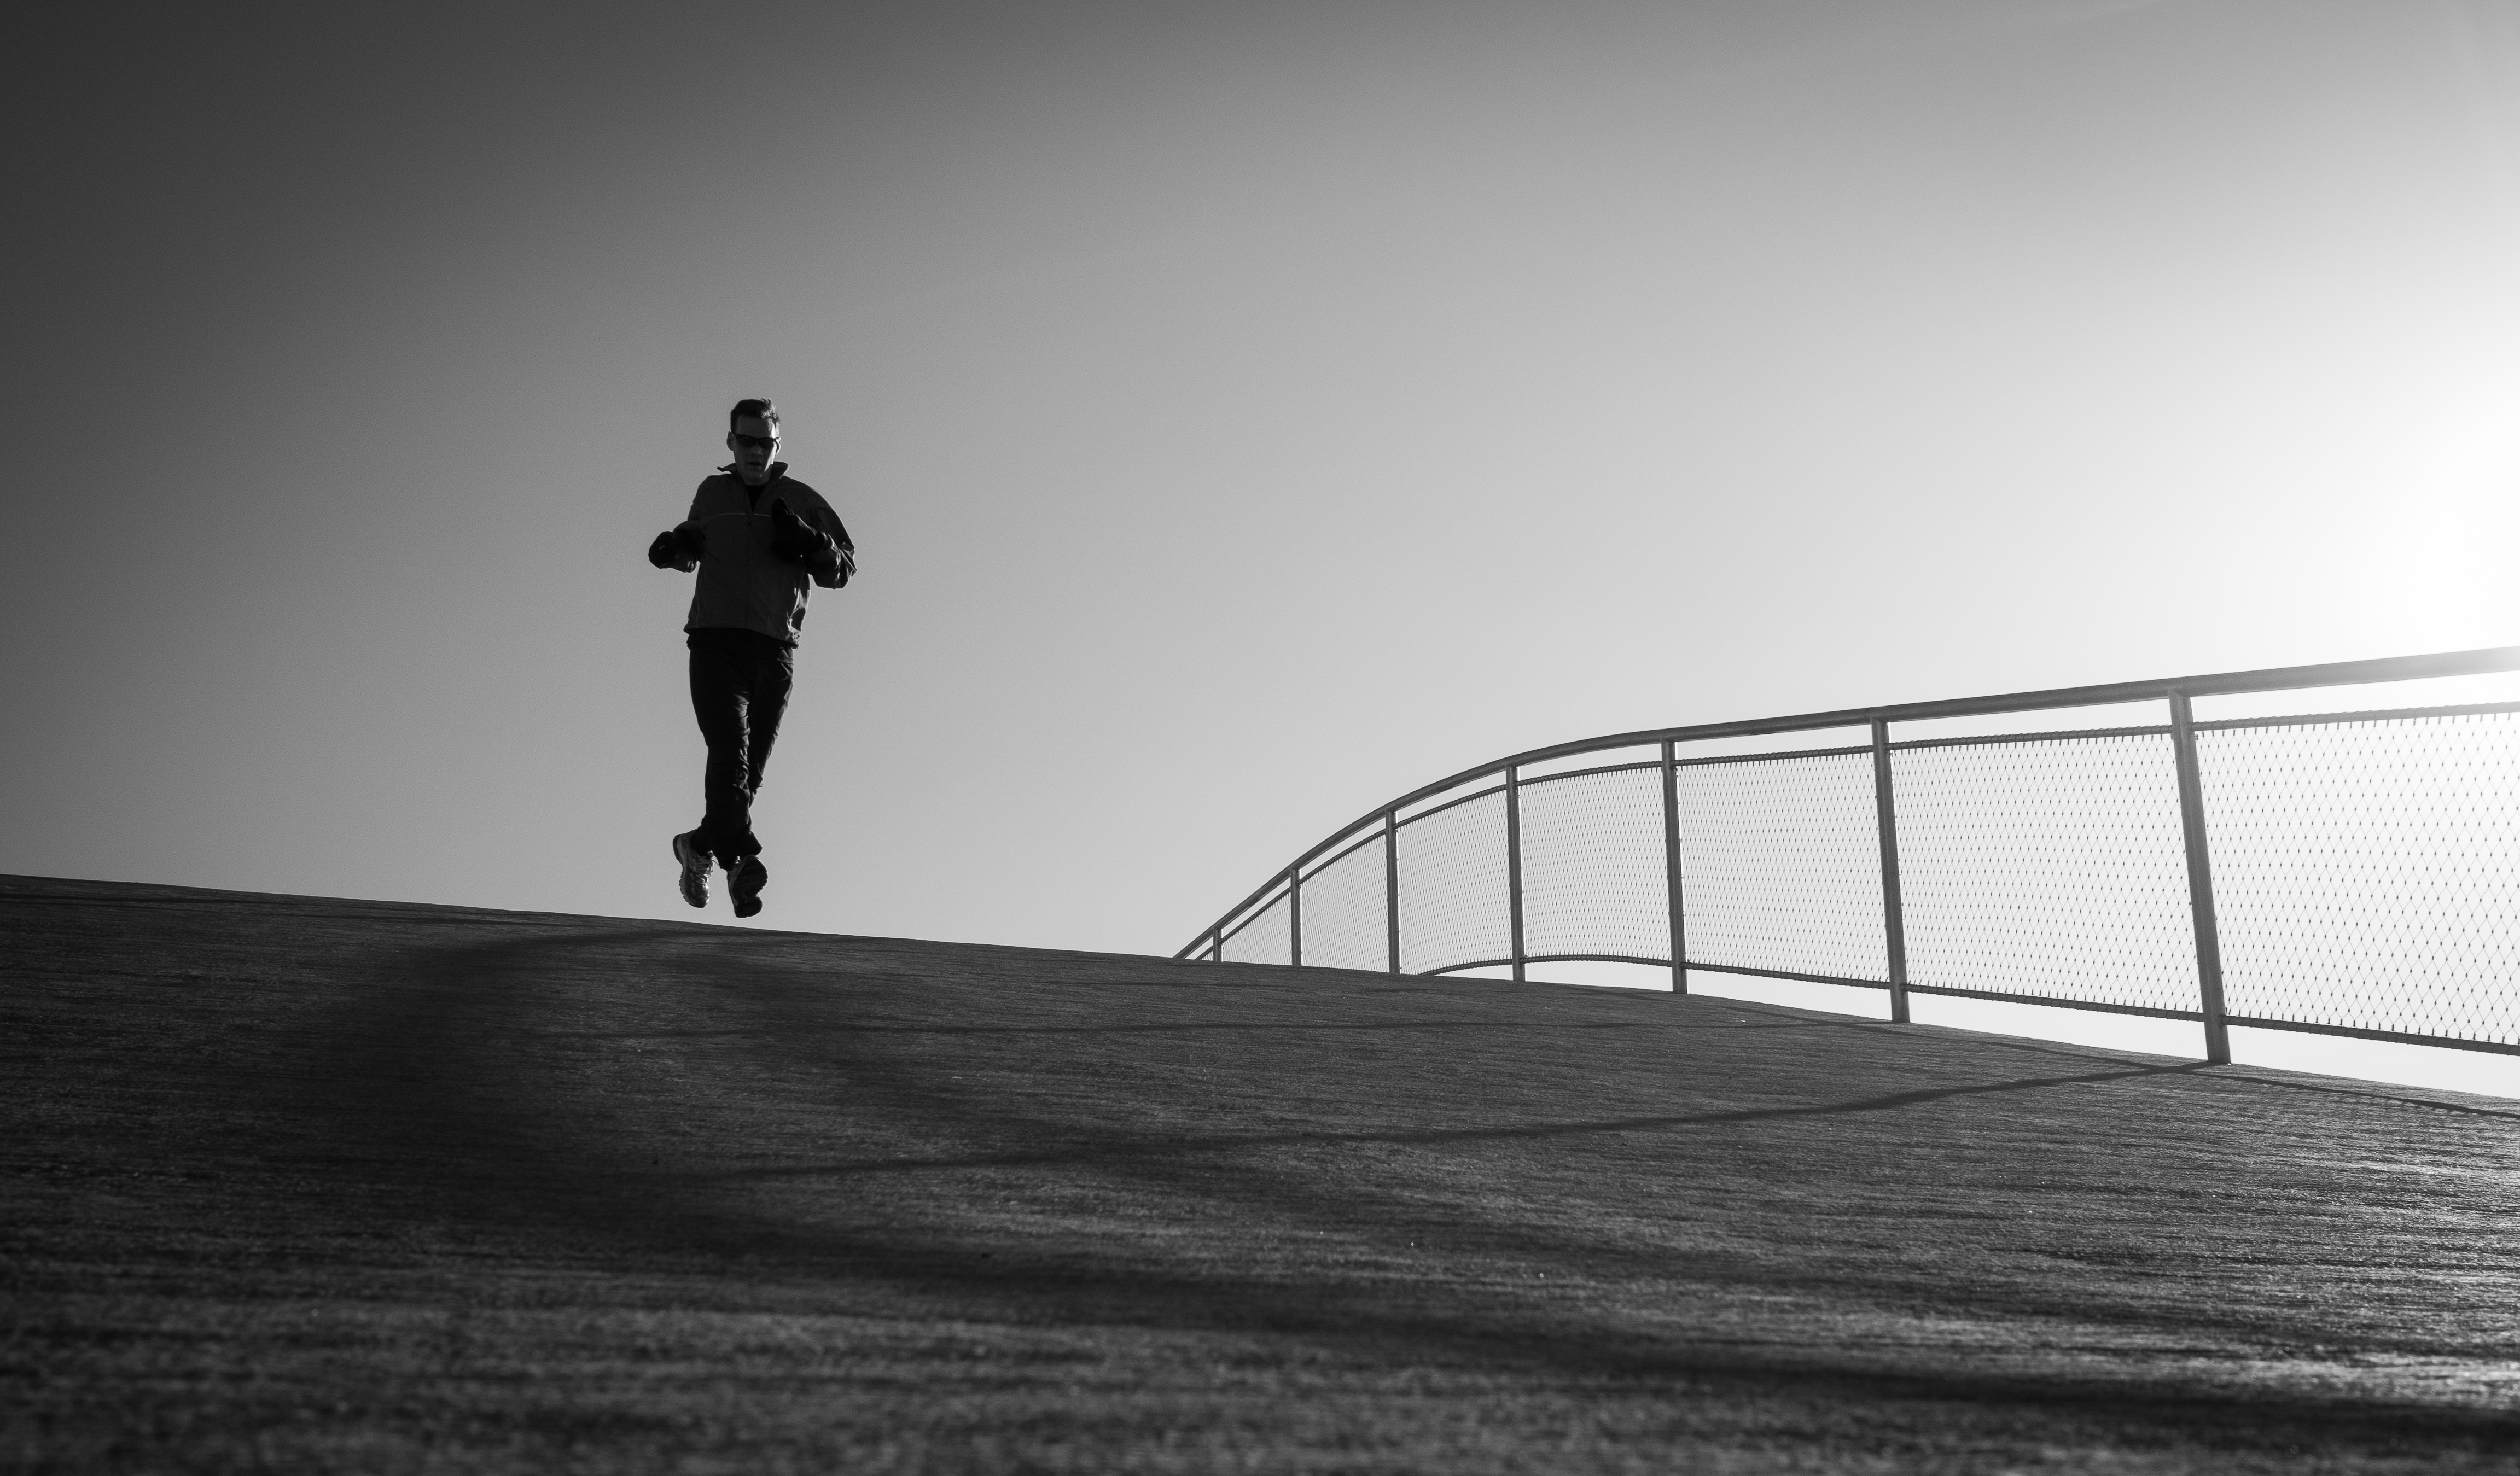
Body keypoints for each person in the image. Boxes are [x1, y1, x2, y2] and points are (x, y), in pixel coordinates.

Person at [647, 398, 854, 917]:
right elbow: (693, 546)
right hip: (715, 642)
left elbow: (843, 567)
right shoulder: (711, 493)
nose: (756, 451)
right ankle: (742, 861)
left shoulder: (801, 498)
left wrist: (810, 541)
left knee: (747, 774)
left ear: (778, 445)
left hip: (775, 650)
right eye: (747, 441)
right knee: (730, 753)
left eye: (765, 442)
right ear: (731, 443)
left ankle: (697, 846)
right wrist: (674, 549)